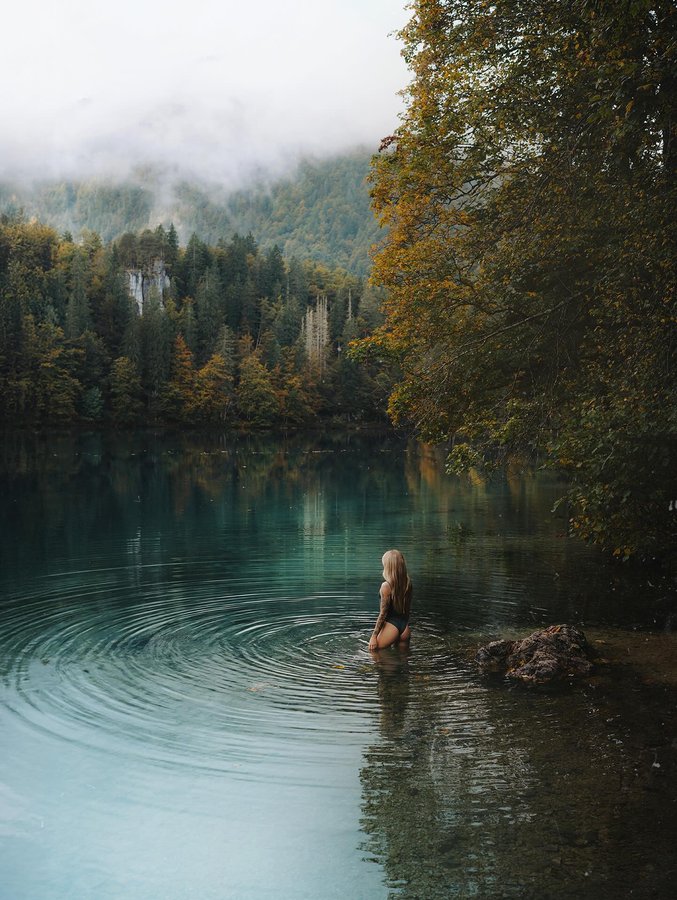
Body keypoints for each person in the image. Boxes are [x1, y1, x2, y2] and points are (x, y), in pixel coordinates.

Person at [368, 549, 412, 651]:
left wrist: (374, 636)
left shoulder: (386, 586)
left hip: (392, 627)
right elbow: (407, 609)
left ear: (388, 566)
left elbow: (383, 613)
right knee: (402, 662)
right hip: (405, 628)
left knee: (374, 653)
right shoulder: (408, 583)